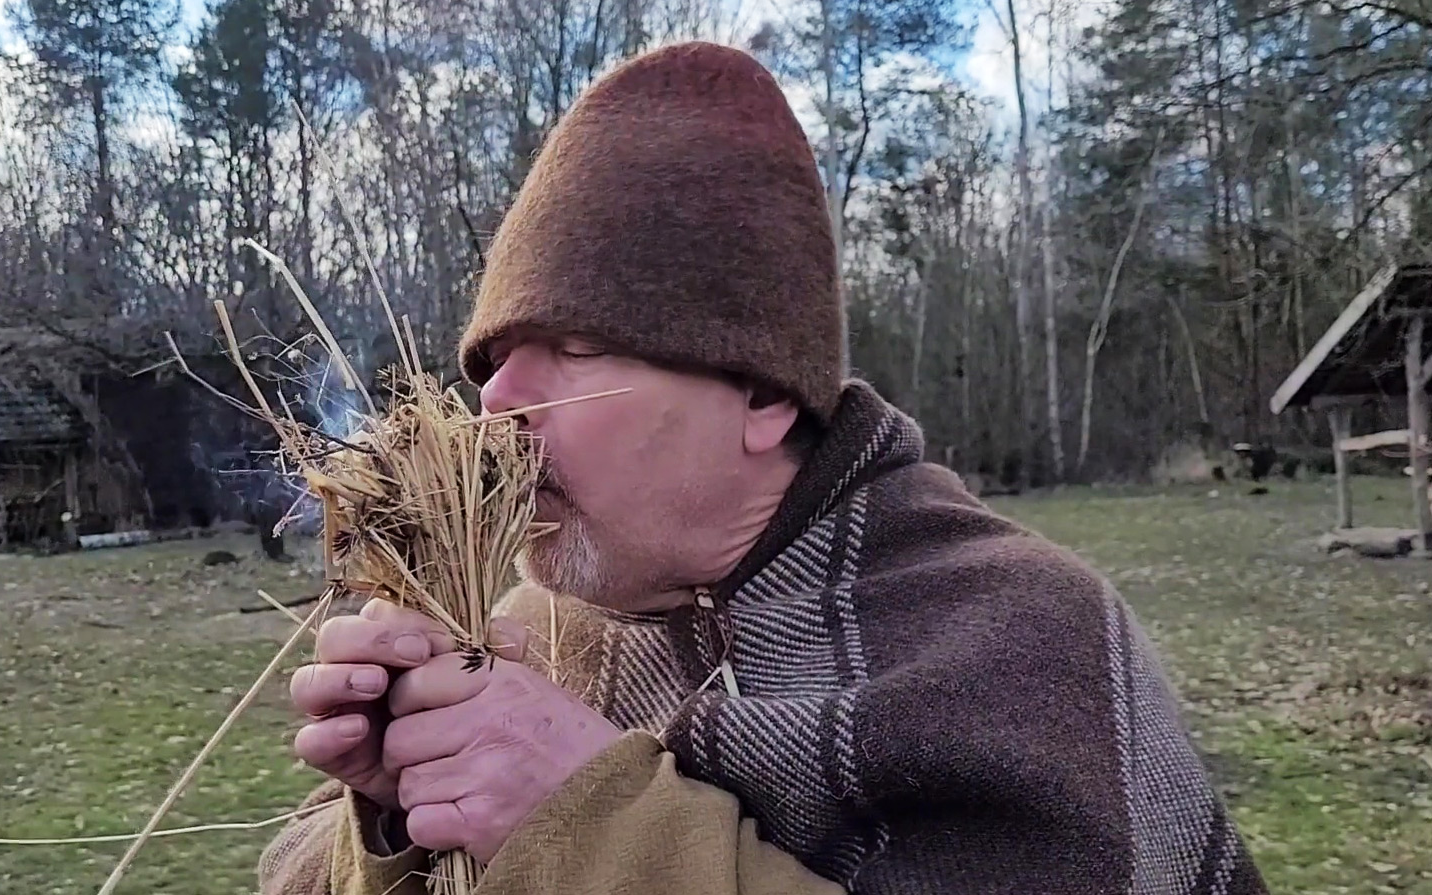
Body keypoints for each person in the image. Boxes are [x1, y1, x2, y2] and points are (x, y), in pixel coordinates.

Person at [258, 40, 1270, 895]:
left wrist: (593, 819)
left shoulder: (1017, 641)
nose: (494, 405)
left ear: (761, 394)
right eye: (488, 363)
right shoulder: (540, 635)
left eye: (571, 347)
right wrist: (403, 809)